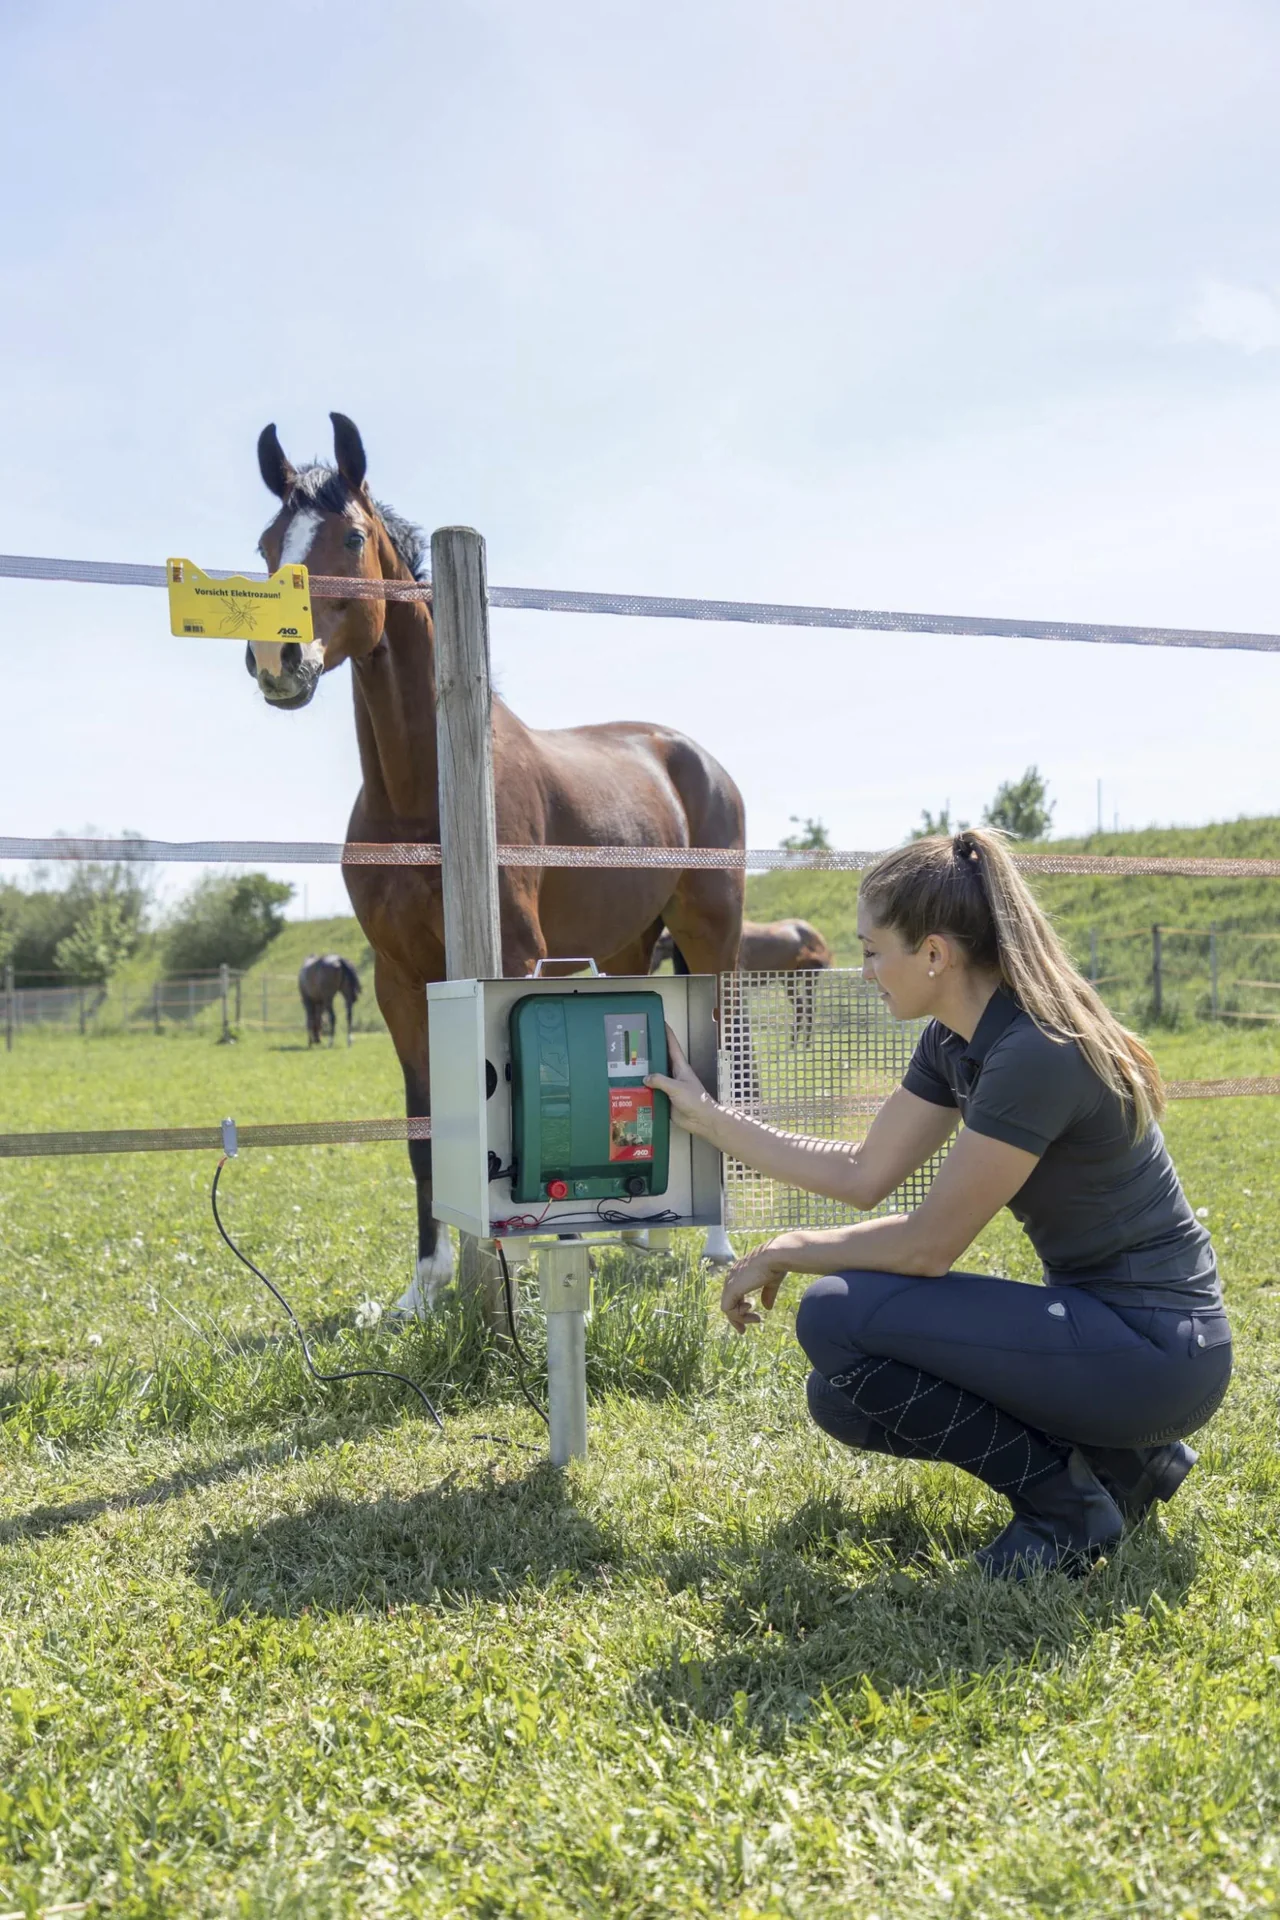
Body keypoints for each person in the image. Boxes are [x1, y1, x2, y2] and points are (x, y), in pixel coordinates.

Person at [646, 828, 1232, 1578]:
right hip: (1113, 1338)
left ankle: (1067, 1511)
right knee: (844, 1396)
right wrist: (709, 1118)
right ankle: (1128, 1465)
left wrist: (791, 1247)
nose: (863, 972)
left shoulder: (1035, 1051)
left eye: (870, 951)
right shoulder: (955, 1039)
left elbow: (929, 1247)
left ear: (932, 954)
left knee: (835, 1313)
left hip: (1159, 1353)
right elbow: (863, 1171)